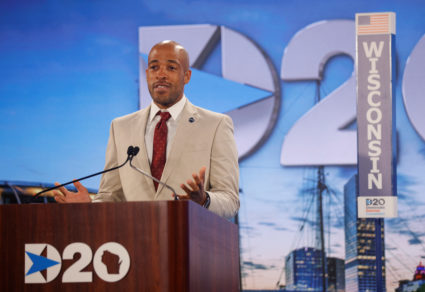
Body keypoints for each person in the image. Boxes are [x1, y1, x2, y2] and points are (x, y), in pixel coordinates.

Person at [54, 40, 240, 219]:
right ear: (147, 73)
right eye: (154, 67)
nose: (161, 74)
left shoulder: (215, 125)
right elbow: (111, 196)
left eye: (171, 67)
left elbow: (230, 200)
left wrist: (204, 200)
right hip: (134, 244)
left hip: (190, 243)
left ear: (187, 76)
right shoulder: (120, 127)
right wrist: (89, 208)